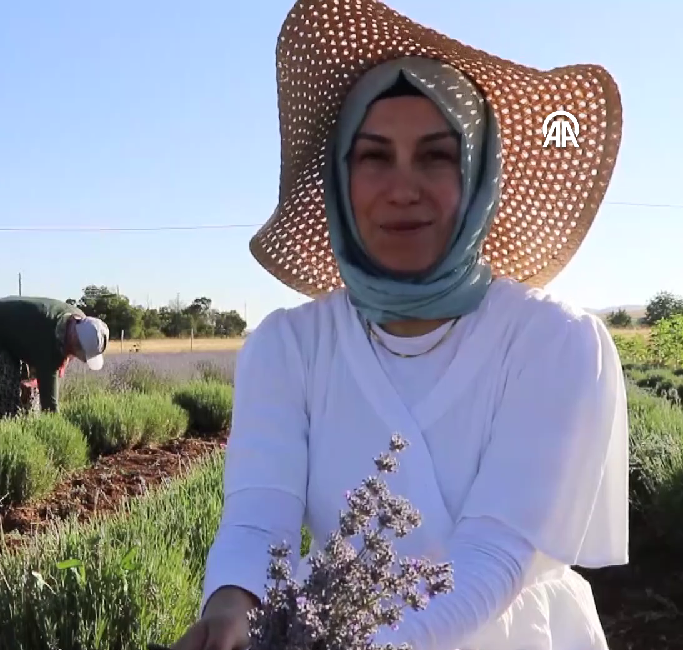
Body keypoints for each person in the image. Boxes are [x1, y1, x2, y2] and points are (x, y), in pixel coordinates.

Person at [172, 1, 628, 649]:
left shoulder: (553, 342)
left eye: (436, 157)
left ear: (479, 176)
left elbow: (493, 556)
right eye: (374, 157)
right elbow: (257, 519)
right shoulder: (288, 346)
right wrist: (231, 608)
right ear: (339, 178)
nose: (403, 188)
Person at [0, 295, 109, 419]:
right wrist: (56, 427)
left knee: (29, 398)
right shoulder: (47, 342)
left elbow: (54, 364)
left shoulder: (79, 320)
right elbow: (50, 406)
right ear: (74, 341)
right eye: (81, 354)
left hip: (16, 332)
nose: (80, 359)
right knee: (3, 407)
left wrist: (33, 381)